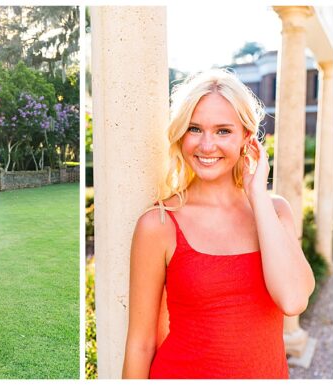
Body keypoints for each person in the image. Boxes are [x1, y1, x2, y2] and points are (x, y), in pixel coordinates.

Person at [122, 69, 315, 379]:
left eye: (223, 131)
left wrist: (257, 193)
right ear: (181, 135)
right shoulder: (158, 224)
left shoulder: (275, 212)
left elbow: (293, 300)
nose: (207, 145)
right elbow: (141, 344)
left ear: (246, 139)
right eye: (195, 128)